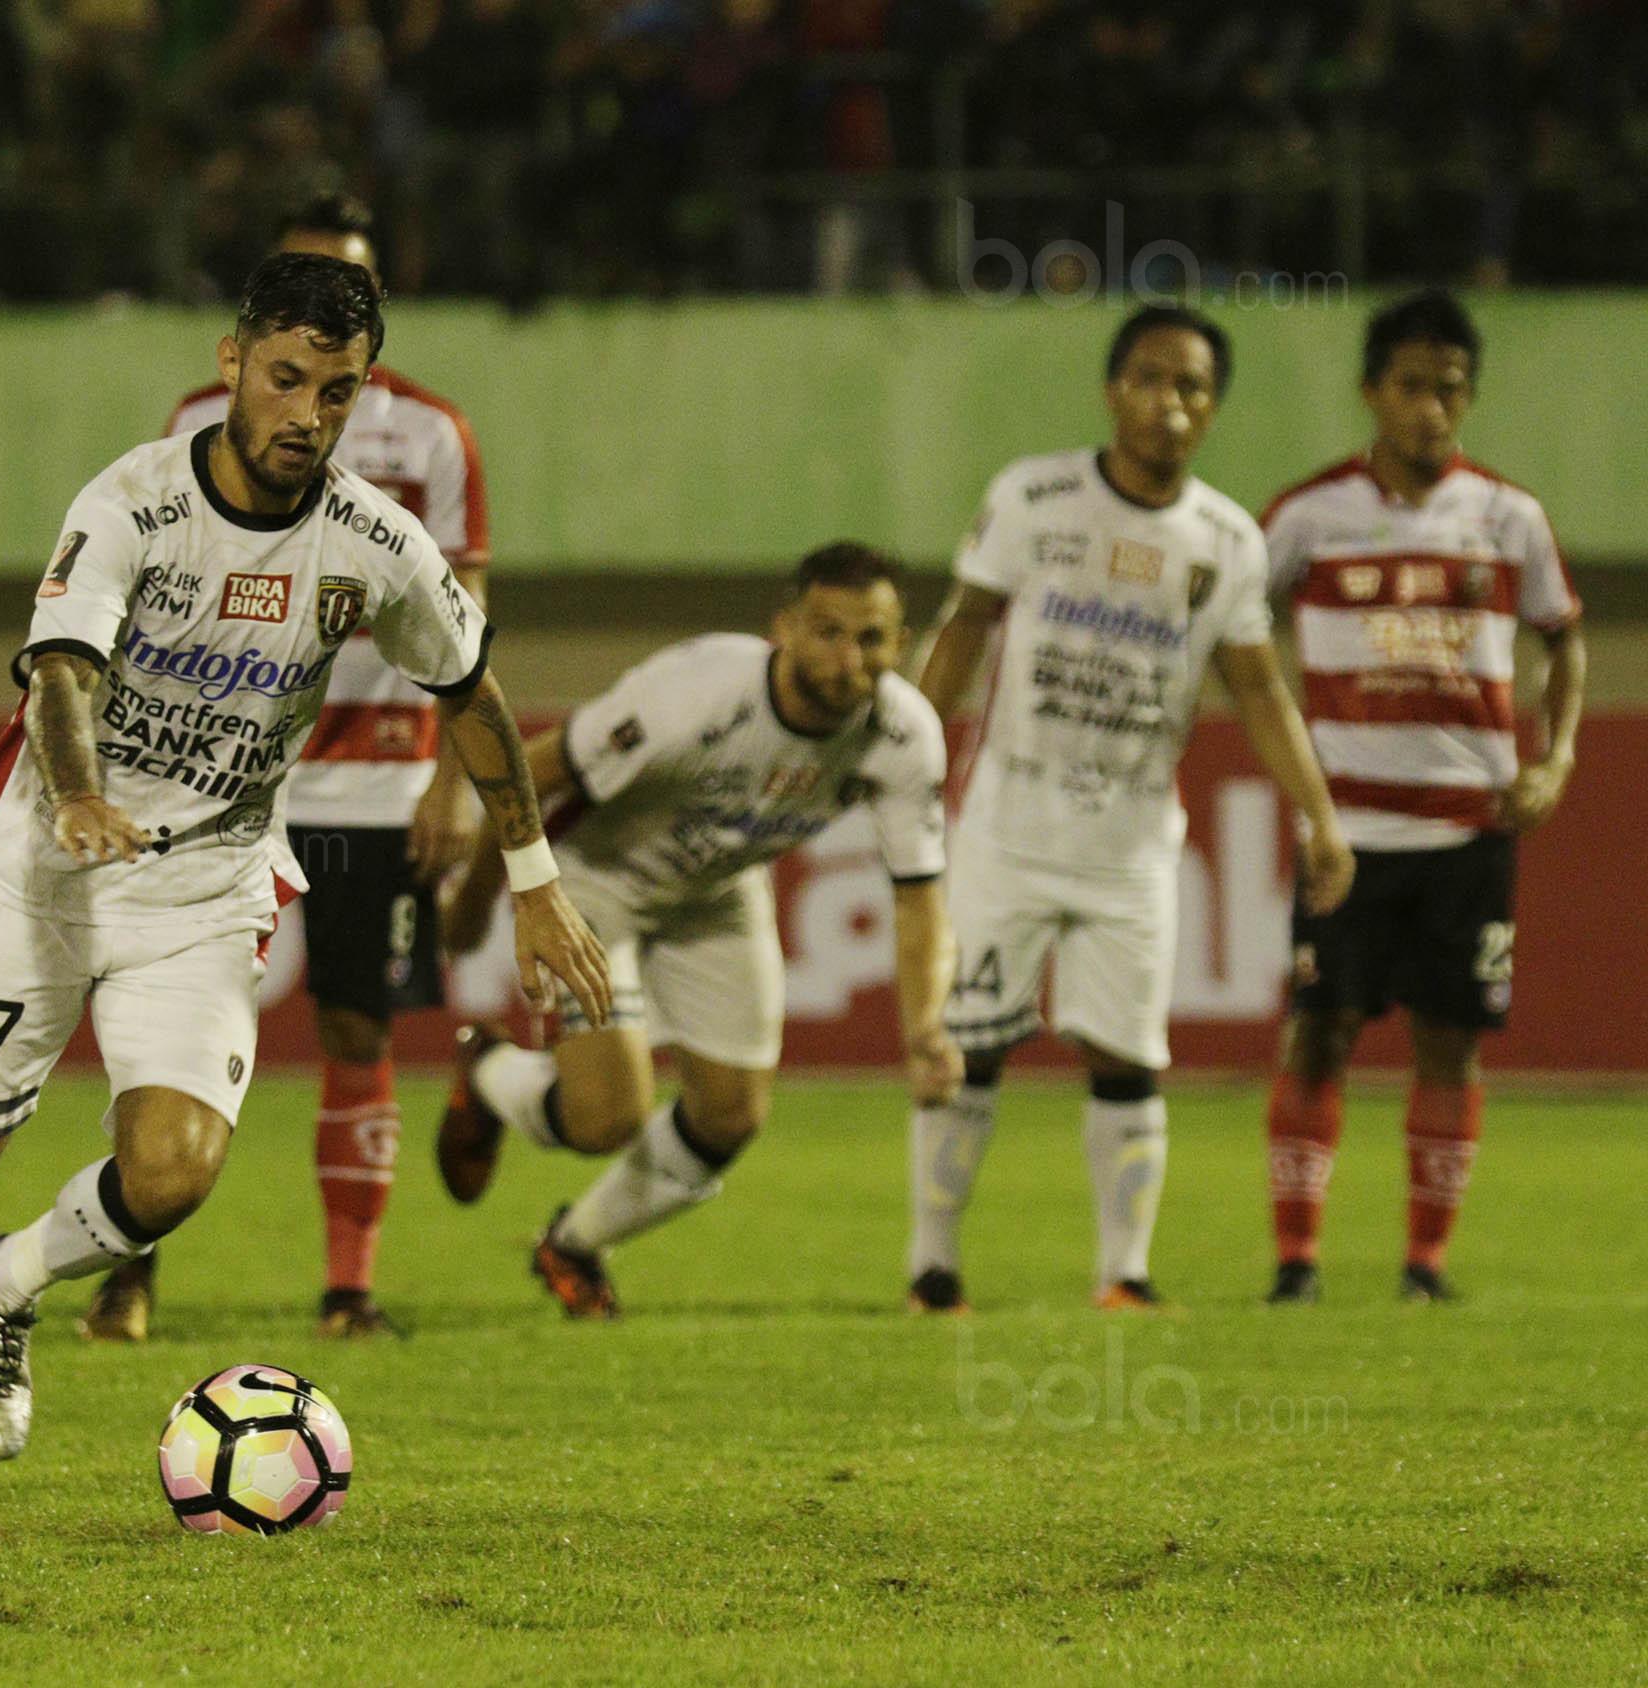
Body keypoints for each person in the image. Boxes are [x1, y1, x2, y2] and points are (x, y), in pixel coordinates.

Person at [0, 253, 611, 1511]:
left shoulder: (373, 538)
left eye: (336, 393)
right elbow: (59, 673)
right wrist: (73, 795)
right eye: (285, 379)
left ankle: (4, 1284)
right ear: (233, 363)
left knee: (171, 1170)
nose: (306, 416)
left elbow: (472, 691)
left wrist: (537, 875)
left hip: (211, 884)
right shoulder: (133, 505)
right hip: (48, 875)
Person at [82, 191, 491, 1342]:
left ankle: (348, 1286)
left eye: (346, 288)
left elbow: (468, 609)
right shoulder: (191, 423)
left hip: (377, 779)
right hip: (216, 780)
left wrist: (455, 780)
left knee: (358, 1025)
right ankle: (128, 1264)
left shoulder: (434, 434)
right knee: (158, 1026)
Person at [903, 304, 1355, 1315]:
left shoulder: (1228, 540)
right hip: (1007, 829)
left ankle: (1125, 1273)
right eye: (1152, 378)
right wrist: (912, 750)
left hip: (1132, 844)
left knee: (1128, 1052)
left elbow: (1261, 688)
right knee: (969, 1043)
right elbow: (965, 624)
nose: (1171, 402)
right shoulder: (1035, 496)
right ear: (1114, 389)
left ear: (1212, 408)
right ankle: (932, 1267)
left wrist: (1320, 815)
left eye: (1193, 387)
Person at [430, 544, 959, 1316]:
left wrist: (926, 1029)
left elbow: (919, 896)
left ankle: (573, 1244)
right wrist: (480, 899)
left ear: (900, 644)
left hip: (715, 888)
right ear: (785, 627)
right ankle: (488, 1074)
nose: (850, 659)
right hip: (596, 880)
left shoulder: (903, 735)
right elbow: (532, 771)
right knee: (606, 1118)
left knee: (732, 1114)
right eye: (829, 632)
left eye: (872, 638)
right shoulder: (697, 694)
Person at [1257, 290, 1584, 1305]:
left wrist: (1557, 756)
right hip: (1345, 830)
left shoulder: (1507, 515)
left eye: (1449, 389)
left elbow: (1563, 639)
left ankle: (1425, 1263)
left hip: (1467, 828)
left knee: (1451, 1037)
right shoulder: (1309, 514)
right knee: (1321, 1030)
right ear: (1371, 391)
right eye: (1409, 385)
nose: (1429, 408)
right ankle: (1298, 1260)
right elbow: (1235, 627)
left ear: (1468, 397)